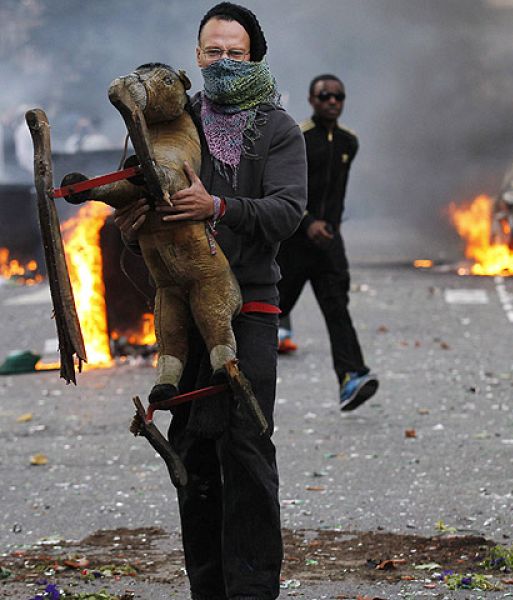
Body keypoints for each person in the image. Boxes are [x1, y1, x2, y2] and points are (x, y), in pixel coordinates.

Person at [113, 3, 306, 598]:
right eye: (213, 52)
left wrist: (218, 207)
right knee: (193, 451)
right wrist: (128, 214)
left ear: (256, 57)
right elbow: (129, 190)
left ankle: (252, 591)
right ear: (196, 57)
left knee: (246, 446)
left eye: (235, 53)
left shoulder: (278, 128)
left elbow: (288, 211)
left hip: (249, 306)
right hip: (180, 302)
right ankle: (208, 590)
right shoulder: (168, 119)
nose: (222, 62)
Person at [276, 74, 378, 411]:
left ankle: (352, 377)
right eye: (325, 96)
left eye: (338, 96)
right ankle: (233, 374)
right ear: (311, 100)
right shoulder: (298, 139)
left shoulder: (350, 142)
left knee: (337, 308)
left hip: (330, 244)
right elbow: (284, 188)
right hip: (294, 243)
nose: (332, 102)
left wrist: (328, 227)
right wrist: (307, 223)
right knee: (270, 312)